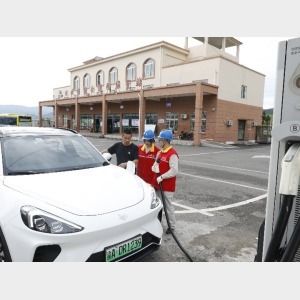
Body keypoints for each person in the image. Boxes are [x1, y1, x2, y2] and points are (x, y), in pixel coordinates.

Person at [151, 129, 179, 234]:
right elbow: (156, 164)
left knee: (168, 206)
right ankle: (158, 222)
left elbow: (174, 170)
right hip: (157, 184)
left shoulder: (172, 154)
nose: (158, 141)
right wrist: (154, 167)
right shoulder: (160, 152)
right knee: (158, 205)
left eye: (160, 139)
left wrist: (162, 177)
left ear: (166, 140)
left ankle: (171, 226)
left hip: (167, 186)